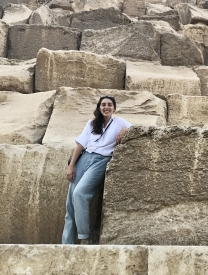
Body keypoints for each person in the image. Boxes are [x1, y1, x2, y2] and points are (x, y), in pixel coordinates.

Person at [62, 95, 132, 244]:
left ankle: (84, 237)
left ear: (114, 108)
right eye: (103, 104)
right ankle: (66, 243)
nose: (106, 107)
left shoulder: (120, 122)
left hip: (101, 160)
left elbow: (138, 129)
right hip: (84, 158)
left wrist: (125, 130)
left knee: (80, 193)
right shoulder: (91, 123)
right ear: (99, 107)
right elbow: (81, 144)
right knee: (70, 203)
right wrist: (71, 166)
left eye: (109, 105)